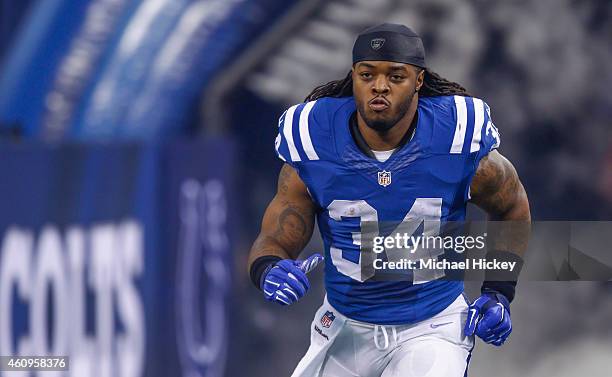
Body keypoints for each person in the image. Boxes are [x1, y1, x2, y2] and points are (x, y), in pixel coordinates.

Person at [247, 23, 531, 377]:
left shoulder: (456, 136)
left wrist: (498, 291)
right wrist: (270, 268)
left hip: (432, 327)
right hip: (345, 327)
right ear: (354, 77)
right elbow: (276, 236)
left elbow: (512, 206)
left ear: (419, 81)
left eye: (396, 76)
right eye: (367, 74)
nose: (379, 86)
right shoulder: (314, 140)